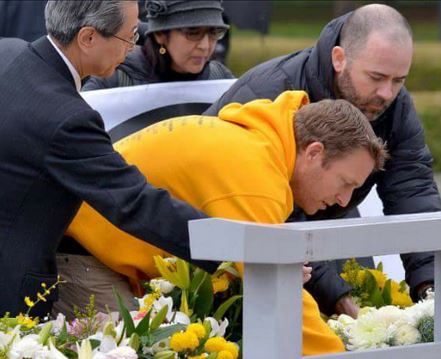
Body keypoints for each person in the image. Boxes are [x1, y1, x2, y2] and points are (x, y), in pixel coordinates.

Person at [64, 91, 388, 355]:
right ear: (315, 152)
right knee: (127, 349)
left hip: (94, 248)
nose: (345, 201)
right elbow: (278, 288)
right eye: (345, 182)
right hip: (84, 254)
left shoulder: (260, 145)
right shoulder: (256, 175)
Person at [203, 3, 441, 318]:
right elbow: (262, 211)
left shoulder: (392, 102)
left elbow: (412, 189)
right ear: (339, 58)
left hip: (327, 216)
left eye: (399, 80)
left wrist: (432, 288)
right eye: (376, 77)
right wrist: (335, 296)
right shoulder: (267, 93)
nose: (387, 93)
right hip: (237, 221)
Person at [0, 0, 218, 319]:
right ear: (88, 38)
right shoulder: (68, 119)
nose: (132, 48)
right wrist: (236, 248)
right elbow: (134, 203)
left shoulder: (9, 52)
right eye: (129, 36)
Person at [82, 0, 233, 90]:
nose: (205, 46)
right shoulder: (116, 79)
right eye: (193, 33)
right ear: (160, 35)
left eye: (214, 33)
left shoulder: (220, 78)